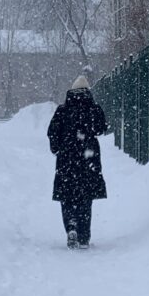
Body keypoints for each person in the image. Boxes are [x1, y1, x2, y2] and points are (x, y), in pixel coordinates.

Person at [47, 74, 108, 249]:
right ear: (88, 92)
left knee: (67, 196)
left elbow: (52, 132)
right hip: (88, 158)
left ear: (71, 91)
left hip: (67, 158)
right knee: (85, 197)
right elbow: (101, 128)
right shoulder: (94, 109)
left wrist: (56, 147)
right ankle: (83, 237)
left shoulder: (62, 110)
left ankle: (71, 226)